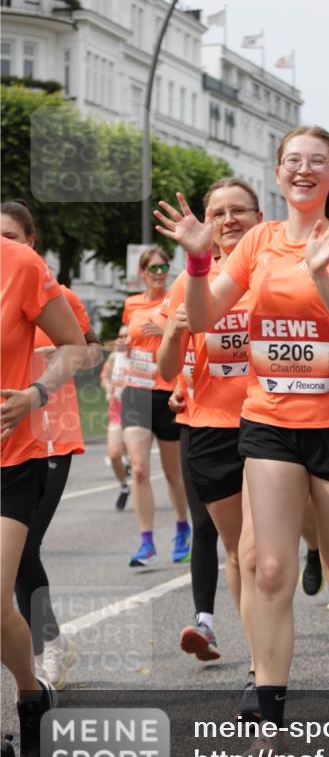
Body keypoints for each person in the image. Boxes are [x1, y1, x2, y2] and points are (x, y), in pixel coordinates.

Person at [155, 124, 329, 757]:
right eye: (292, 160)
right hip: (271, 421)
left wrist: (322, 275)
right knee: (271, 568)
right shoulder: (258, 240)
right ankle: (270, 719)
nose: (303, 169)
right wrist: (198, 262)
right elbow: (204, 317)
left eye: (317, 161)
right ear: (279, 172)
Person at [156, 178, 261, 713]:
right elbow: (167, 368)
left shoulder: (273, 270)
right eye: (218, 213)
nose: (229, 220)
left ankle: (315, 553)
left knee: (263, 553)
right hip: (210, 428)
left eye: (239, 210)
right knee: (241, 553)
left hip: (272, 422)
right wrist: (176, 333)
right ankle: (260, 665)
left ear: (259, 216)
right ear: (207, 222)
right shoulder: (190, 281)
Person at [1, 201, 102, 691]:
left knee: (25, 547)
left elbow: (89, 347)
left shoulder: (54, 292)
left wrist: (45, 365)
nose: (6, 244)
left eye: (12, 236)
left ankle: (48, 643)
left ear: (30, 240)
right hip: (12, 431)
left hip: (49, 437)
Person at [1, 234, 86, 757]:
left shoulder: (20, 264)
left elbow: (75, 346)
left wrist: (35, 393)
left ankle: (30, 696)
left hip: (11, 456)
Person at [121, 247, 190, 568]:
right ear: (142, 273)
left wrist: (166, 332)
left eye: (164, 267)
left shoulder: (177, 300)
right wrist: (125, 344)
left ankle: (182, 527)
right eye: (153, 268)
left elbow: (190, 339)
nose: (159, 273)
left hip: (167, 392)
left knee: (173, 473)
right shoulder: (131, 304)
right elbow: (130, 339)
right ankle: (146, 541)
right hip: (136, 390)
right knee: (138, 468)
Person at [100, 325, 131, 510]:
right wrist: (108, 389)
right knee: (113, 455)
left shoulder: (142, 357)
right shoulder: (114, 357)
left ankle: (131, 464)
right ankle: (124, 487)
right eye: (121, 336)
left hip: (138, 411)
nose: (122, 340)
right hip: (117, 411)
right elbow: (105, 378)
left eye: (127, 336)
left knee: (137, 460)